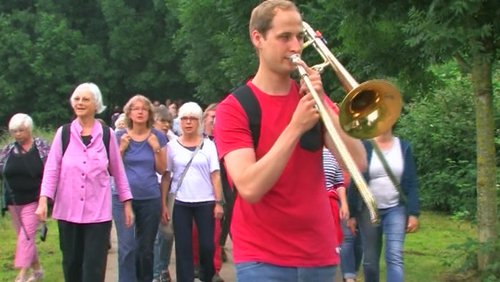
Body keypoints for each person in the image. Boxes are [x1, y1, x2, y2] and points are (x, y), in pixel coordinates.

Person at [213, 1, 367, 281]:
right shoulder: (234, 108)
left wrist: (322, 103)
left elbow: (357, 161)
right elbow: (249, 187)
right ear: (257, 38)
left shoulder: (312, 99)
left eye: (299, 36)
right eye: (284, 37)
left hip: (318, 255)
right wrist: (295, 127)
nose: (296, 47)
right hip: (262, 258)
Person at [35, 82, 134, 282]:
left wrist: (127, 204)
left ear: (96, 105)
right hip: (67, 212)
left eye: (85, 99)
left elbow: (119, 172)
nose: (80, 103)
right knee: (71, 265)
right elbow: (52, 170)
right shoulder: (63, 134)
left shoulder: (106, 135)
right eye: (77, 99)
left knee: (93, 268)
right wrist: (44, 200)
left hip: (97, 215)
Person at [161, 102, 224, 282]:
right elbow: (166, 176)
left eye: (193, 119)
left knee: (207, 246)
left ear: (199, 122)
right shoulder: (172, 146)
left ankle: (206, 276)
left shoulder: (209, 145)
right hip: (181, 202)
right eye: (184, 119)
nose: (188, 122)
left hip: (205, 201)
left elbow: (216, 175)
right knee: (183, 247)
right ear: (179, 122)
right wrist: (163, 205)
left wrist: (219, 202)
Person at [347, 127, 420, 282]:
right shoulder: (365, 146)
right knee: (370, 261)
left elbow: (412, 182)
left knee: (394, 256)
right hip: (368, 210)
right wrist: (352, 214)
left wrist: (413, 213)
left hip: (396, 208)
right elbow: (356, 181)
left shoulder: (404, 147)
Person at [115, 94, 167, 282]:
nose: (140, 112)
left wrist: (156, 148)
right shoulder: (120, 135)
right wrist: (121, 149)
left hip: (149, 197)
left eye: (144, 109)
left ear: (149, 113)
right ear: (129, 113)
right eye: (136, 108)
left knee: (146, 248)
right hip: (124, 198)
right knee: (127, 247)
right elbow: (112, 170)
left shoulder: (158, 136)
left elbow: (162, 168)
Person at [0, 113, 50, 282]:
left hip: (35, 200)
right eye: (14, 131)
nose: (17, 134)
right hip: (14, 201)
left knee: (26, 236)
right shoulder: (7, 151)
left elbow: (52, 169)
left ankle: (20, 277)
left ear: (29, 129)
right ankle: (37, 271)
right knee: (24, 237)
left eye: (21, 130)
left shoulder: (41, 147)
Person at [152, 107, 175, 282]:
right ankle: (155, 271)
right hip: (151, 189)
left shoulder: (173, 141)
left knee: (167, 233)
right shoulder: (147, 138)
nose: (166, 125)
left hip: (169, 189)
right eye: (162, 121)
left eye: (168, 121)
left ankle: (162, 267)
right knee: (153, 233)